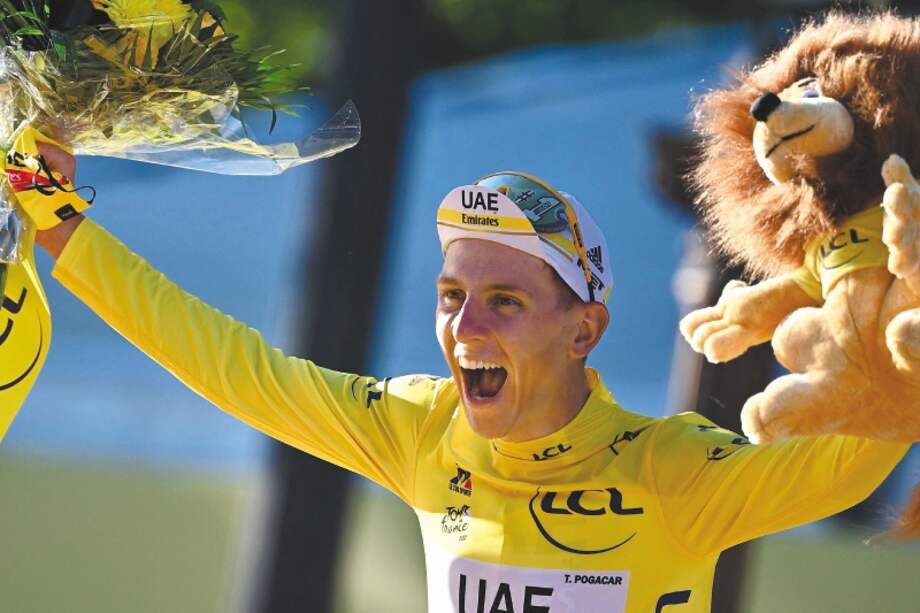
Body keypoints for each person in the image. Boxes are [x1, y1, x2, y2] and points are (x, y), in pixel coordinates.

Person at [33, 145, 908, 613]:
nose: (464, 327)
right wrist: (58, 218)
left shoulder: (673, 471)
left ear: (584, 331)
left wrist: (884, 292)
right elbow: (232, 366)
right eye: (451, 295)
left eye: (503, 300)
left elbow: (859, 450)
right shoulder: (421, 427)